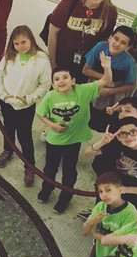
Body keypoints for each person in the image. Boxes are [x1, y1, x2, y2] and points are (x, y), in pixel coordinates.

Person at [35, 59, 122, 213]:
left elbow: (106, 81)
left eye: (65, 77)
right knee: (50, 168)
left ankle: (65, 197)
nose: (61, 81)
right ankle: (46, 189)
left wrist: (107, 67)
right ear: (53, 84)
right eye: (57, 79)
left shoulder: (82, 91)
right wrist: (52, 126)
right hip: (54, 140)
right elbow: (40, 113)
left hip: (73, 141)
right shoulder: (50, 97)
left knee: (69, 171)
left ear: (73, 81)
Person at [0, 25, 50, 183]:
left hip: (25, 106)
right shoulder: (9, 56)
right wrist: (2, 94)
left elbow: (45, 85)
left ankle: (29, 165)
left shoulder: (42, 60)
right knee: (8, 128)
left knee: (25, 135)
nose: (20, 46)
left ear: (31, 40)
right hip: (6, 101)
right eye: (16, 43)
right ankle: (8, 150)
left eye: (24, 42)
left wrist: (29, 98)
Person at [44, 0, 118, 80]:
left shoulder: (110, 12)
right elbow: (53, 32)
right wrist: (53, 64)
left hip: (85, 66)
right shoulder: (71, 2)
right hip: (62, 60)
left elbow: (104, 41)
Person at [89, 116, 137, 207]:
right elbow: (88, 152)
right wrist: (102, 142)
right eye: (123, 133)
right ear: (118, 137)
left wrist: (126, 189)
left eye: (133, 132)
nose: (128, 137)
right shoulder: (118, 145)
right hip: (112, 191)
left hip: (134, 197)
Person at [82, 27, 137, 131]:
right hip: (94, 88)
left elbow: (132, 85)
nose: (117, 44)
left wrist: (110, 90)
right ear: (110, 38)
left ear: (128, 47)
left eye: (123, 43)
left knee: (103, 123)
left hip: (113, 97)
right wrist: (106, 79)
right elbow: (86, 70)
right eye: (116, 39)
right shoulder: (100, 47)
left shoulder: (129, 62)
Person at [82, 171, 137, 257]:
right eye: (100, 191)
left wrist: (95, 234)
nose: (103, 195)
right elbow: (84, 232)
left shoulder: (131, 214)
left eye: (108, 190)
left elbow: (125, 243)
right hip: (100, 256)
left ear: (120, 190)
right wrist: (93, 221)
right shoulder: (101, 206)